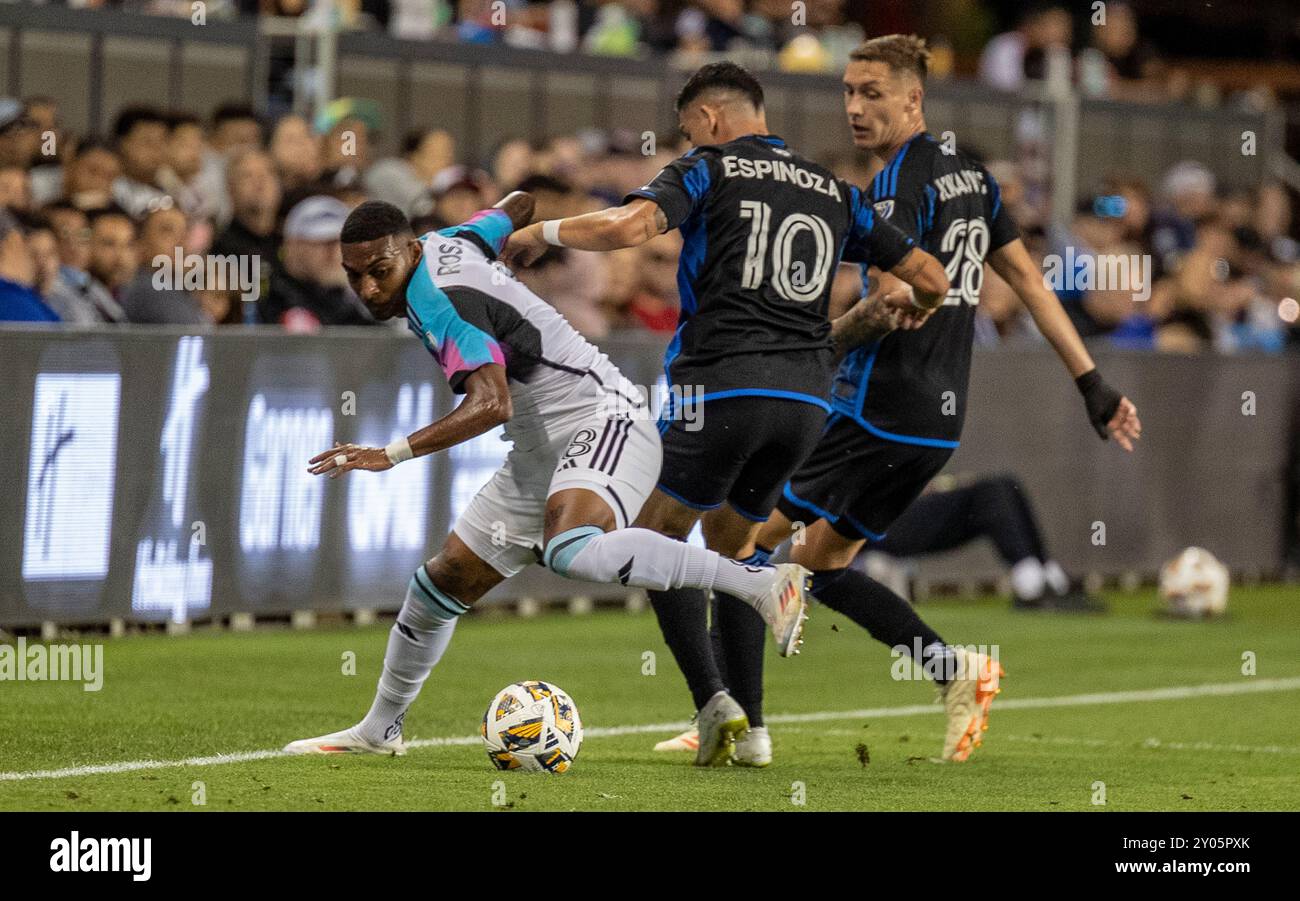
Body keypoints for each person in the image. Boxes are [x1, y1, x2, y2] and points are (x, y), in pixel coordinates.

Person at [658, 36, 1142, 766]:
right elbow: (1032, 285)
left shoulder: (896, 187)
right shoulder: (974, 178)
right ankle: (957, 671)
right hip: (936, 424)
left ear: (914, 98)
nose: (855, 106)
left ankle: (734, 721)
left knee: (740, 542)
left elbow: (890, 300)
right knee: (821, 563)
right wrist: (1092, 384)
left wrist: (806, 350)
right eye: (849, 91)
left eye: (873, 92)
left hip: (872, 409)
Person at [502, 61, 950, 765]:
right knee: (734, 543)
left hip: (717, 387)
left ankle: (714, 703)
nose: (688, 139)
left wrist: (544, 234)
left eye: (687, 128)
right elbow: (932, 277)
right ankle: (758, 735)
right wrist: (914, 311)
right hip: (805, 400)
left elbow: (631, 225)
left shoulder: (707, 168)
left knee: (655, 536)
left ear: (708, 119)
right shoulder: (836, 190)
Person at [282, 193, 812, 758]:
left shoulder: (440, 300)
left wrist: (387, 455)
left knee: (570, 549)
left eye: (379, 272)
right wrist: (531, 239)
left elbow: (491, 405)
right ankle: (380, 730)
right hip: (537, 452)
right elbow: (518, 203)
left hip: (605, 418)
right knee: (442, 582)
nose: (367, 290)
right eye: (354, 275)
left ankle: (759, 584)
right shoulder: (453, 239)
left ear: (410, 251)